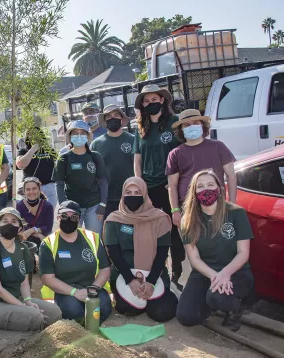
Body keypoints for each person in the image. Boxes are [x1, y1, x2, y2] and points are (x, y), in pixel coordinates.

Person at [176, 170, 254, 332]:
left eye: (211, 185)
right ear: (194, 192)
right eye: (200, 186)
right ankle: (210, 302)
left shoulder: (236, 213)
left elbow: (243, 253)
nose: (206, 190)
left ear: (219, 189)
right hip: (204, 273)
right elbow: (194, 258)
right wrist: (215, 276)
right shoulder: (188, 219)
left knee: (216, 297)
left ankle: (234, 308)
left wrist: (225, 274)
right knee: (186, 317)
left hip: (236, 271)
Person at [0, 208, 62, 331]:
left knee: (55, 312)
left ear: (20, 227)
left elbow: (24, 282)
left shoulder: (23, 249)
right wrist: (24, 307)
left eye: (14, 221)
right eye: (5, 221)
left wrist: (28, 301)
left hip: (14, 299)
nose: (9, 224)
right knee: (34, 317)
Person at [104, 177, 178, 322]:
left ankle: (168, 292)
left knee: (162, 313)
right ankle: (142, 300)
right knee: (128, 309)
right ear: (123, 195)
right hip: (123, 274)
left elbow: (162, 253)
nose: (133, 196)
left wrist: (150, 281)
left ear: (144, 194)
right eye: (128, 192)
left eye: (137, 192)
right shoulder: (114, 219)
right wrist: (130, 280)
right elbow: (113, 253)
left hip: (154, 273)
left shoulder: (159, 218)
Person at [132, 84, 183, 289]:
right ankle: (157, 271)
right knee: (153, 231)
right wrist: (140, 186)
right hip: (149, 189)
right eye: (146, 101)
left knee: (174, 230)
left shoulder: (174, 123)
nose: (150, 104)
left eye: (154, 99)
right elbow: (137, 160)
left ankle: (177, 270)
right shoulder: (140, 127)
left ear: (162, 100)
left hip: (170, 186)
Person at [39, 200, 112, 323]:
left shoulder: (93, 238)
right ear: (58, 218)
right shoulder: (48, 243)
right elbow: (47, 278)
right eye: (64, 216)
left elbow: (105, 268)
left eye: (73, 217)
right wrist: (75, 293)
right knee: (74, 312)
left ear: (79, 220)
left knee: (103, 308)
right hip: (65, 290)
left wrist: (93, 289)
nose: (68, 219)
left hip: (91, 286)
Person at [167, 109, 237, 229]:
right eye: (187, 125)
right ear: (181, 130)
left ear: (202, 125)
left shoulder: (218, 146)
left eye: (196, 123)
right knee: (192, 244)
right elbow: (172, 185)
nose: (192, 126)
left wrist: (231, 204)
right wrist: (175, 210)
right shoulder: (175, 154)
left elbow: (231, 176)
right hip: (189, 209)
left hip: (217, 205)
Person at [55, 120, 109, 237]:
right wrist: (64, 207)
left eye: (82, 133)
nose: (79, 136)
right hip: (72, 208)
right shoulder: (63, 158)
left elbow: (103, 182)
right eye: (75, 133)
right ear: (69, 136)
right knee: (72, 238)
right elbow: (59, 184)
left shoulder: (95, 156)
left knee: (94, 239)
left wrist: (103, 205)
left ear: (88, 136)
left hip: (94, 206)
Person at [90, 104, 135, 220]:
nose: (112, 118)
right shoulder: (96, 144)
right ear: (104, 121)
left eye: (116, 115)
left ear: (121, 119)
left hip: (130, 196)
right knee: (109, 235)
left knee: (130, 233)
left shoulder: (133, 140)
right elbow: (92, 172)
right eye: (108, 116)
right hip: (106, 199)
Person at [16, 127, 57, 207]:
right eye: (32, 135)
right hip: (30, 188)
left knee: (48, 215)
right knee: (28, 216)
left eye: (37, 135)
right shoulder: (24, 151)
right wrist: (32, 150)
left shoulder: (49, 150)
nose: (35, 138)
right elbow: (20, 165)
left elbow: (58, 163)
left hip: (48, 187)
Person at [15, 177, 54, 247]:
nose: (31, 192)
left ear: (39, 189)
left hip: (43, 242)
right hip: (26, 242)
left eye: (34, 188)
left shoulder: (47, 206)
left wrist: (32, 230)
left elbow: (48, 228)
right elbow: (21, 227)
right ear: (24, 191)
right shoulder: (19, 206)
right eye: (28, 189)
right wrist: (38, 233)